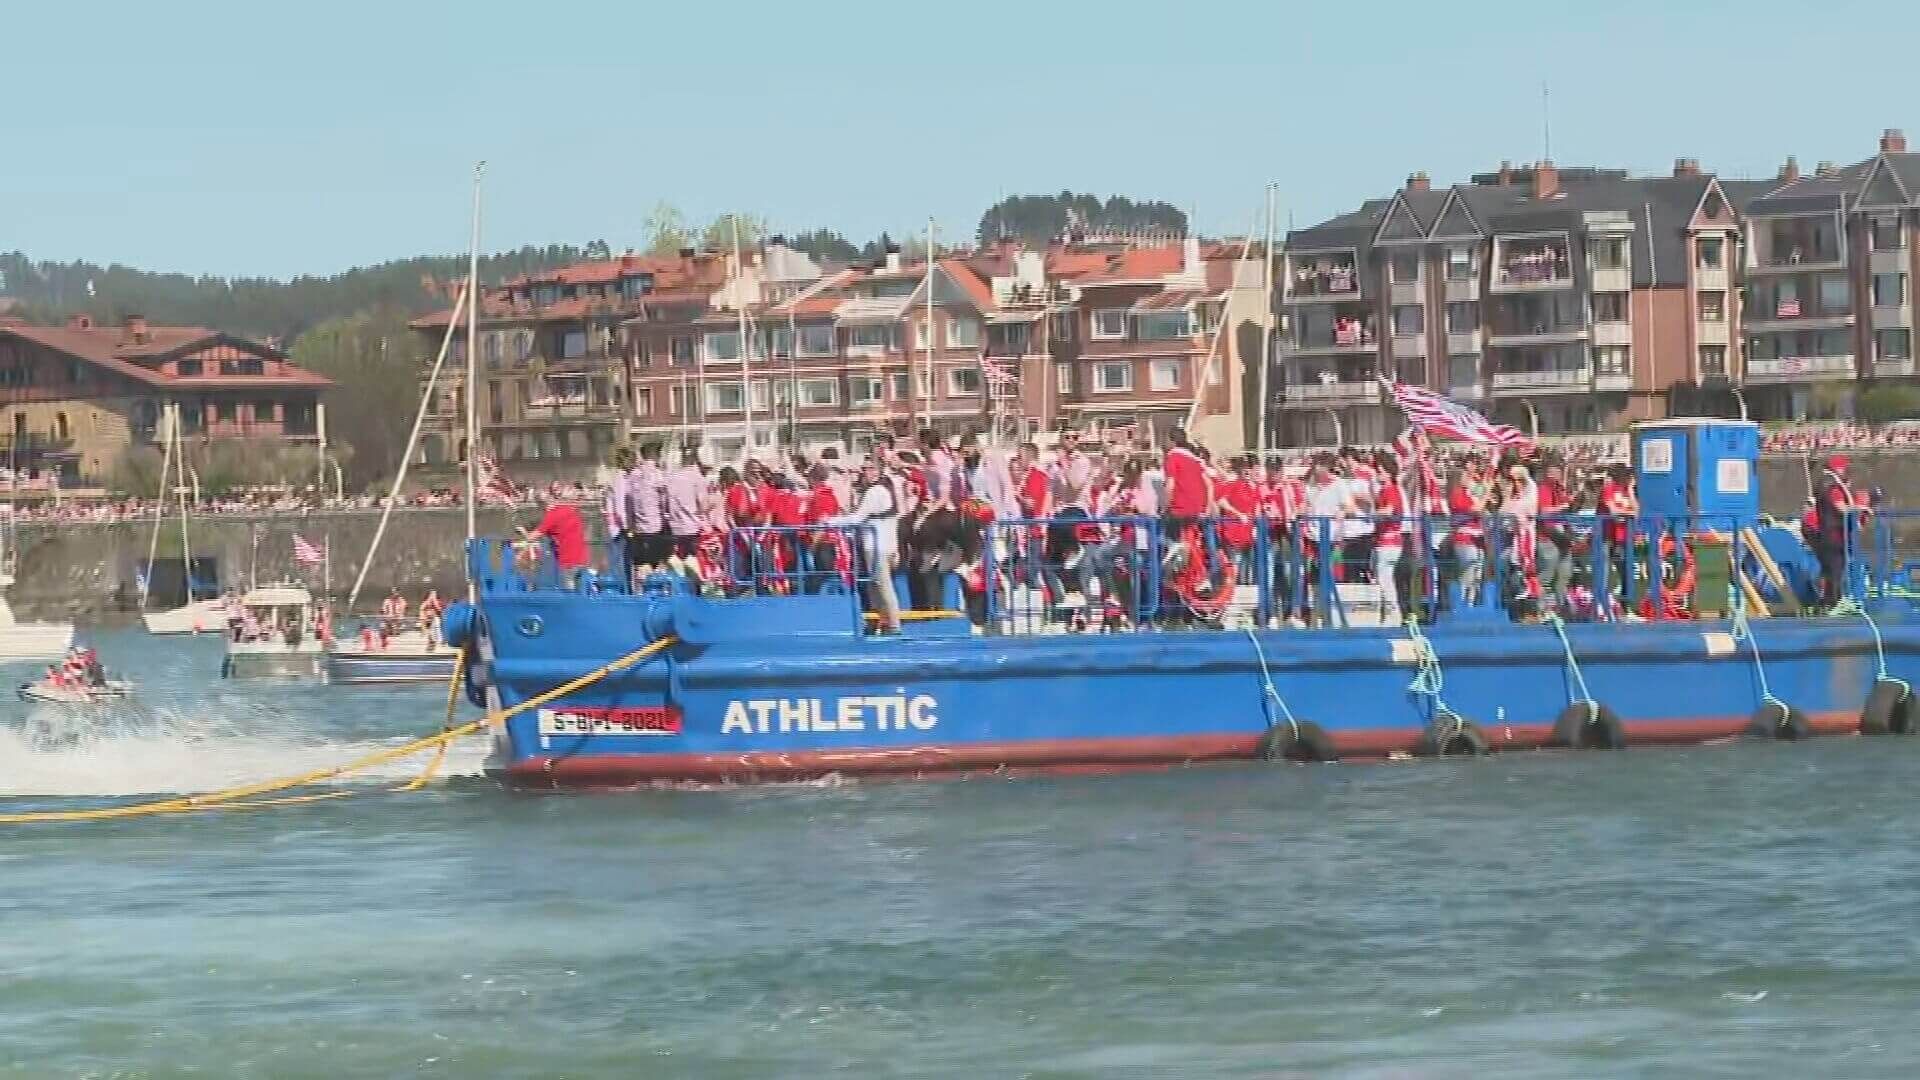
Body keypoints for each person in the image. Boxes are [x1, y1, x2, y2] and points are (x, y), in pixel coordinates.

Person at [831, 459, 902, 634]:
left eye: (870, 468)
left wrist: (830, 521)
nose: (866, 472)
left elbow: (857, 518)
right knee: (875, 587)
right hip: (887, 545)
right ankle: (883, 622)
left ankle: (893, 625)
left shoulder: (876, 491)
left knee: (883, 587)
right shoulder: (888, 489)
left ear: (879, 471)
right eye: (864, 469)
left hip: (878, 547)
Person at [523, 495, 589, 587]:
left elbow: (532, 537)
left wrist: (523, 531)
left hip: (568, 561)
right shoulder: (569, 510)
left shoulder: (551, 516)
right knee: (581, 589)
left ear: (544, 506)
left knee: (569, 593)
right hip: (583, 558)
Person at [626, 442, 670, 575]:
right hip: (655, 527)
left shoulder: (633, 475)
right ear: (655, 455)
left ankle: (640, 590)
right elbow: (664, 501)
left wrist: (631, 524)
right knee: (656, 566)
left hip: (638, 528)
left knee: (640, 565)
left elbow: (629, 502)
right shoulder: (658, 474)